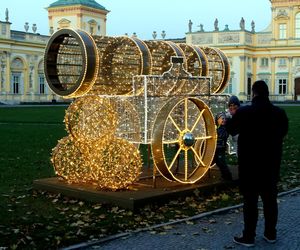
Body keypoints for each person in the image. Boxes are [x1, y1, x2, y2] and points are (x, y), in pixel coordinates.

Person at [227, 80, 288, 247]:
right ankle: (270, 234)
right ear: (267, 93)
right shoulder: (279, 113)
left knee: (250, 202)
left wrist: (226, 120)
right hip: (270, 164)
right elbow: (283, 132)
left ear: (253, 93)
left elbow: (231, 130)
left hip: (250, 165)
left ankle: (248, 236)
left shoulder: (244, 112)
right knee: (270, 201)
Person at [213, 112, 232, 181]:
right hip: (216, 148)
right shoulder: (217, 128)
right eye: (222, 119)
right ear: (217, 120)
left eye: (224, 119)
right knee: (218, 162)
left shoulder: (224, 128)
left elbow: (222, 136)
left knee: (222, 162)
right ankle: (225, 176)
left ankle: (228, 177)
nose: (224, 120)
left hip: (221, 148)